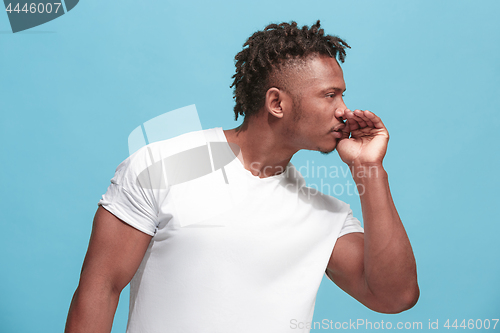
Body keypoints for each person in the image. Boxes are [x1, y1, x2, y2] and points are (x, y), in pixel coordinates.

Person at [65, 20, 418, 333]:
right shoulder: (162, 166)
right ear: (277, 103)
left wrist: (368, 169)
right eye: (330, 95)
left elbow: (395, 296)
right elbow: (101, 287)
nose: (344, 110)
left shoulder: (329, 215)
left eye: (342, 94)